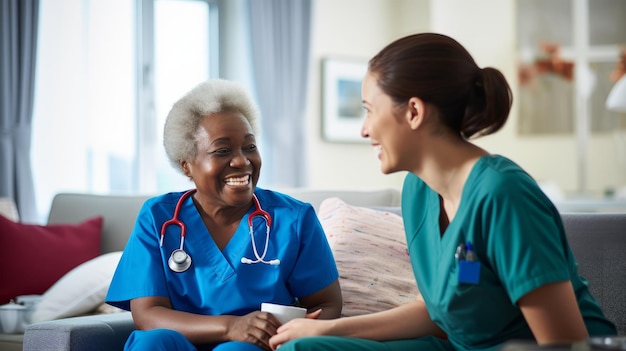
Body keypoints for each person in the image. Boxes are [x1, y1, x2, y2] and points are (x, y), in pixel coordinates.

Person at [268, 33, 617, 351]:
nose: (363, 130)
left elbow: (565, 344)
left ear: (414, 112)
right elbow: (442, 314)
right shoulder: (417, 191)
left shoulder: (503, 195)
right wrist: (326, 330)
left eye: (370, 111)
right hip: (456, 347)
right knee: (304, 349)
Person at [105, 79, 342, 351]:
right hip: (180, 343)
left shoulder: (293, 219)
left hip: (255, 347)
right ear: (187, 165)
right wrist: (231, 326)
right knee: (152, 342)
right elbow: (147, 314)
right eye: (222, 151)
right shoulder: (158, 217)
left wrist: (298, 331)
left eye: (250, 147)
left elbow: (326, 302)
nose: (242, 161)